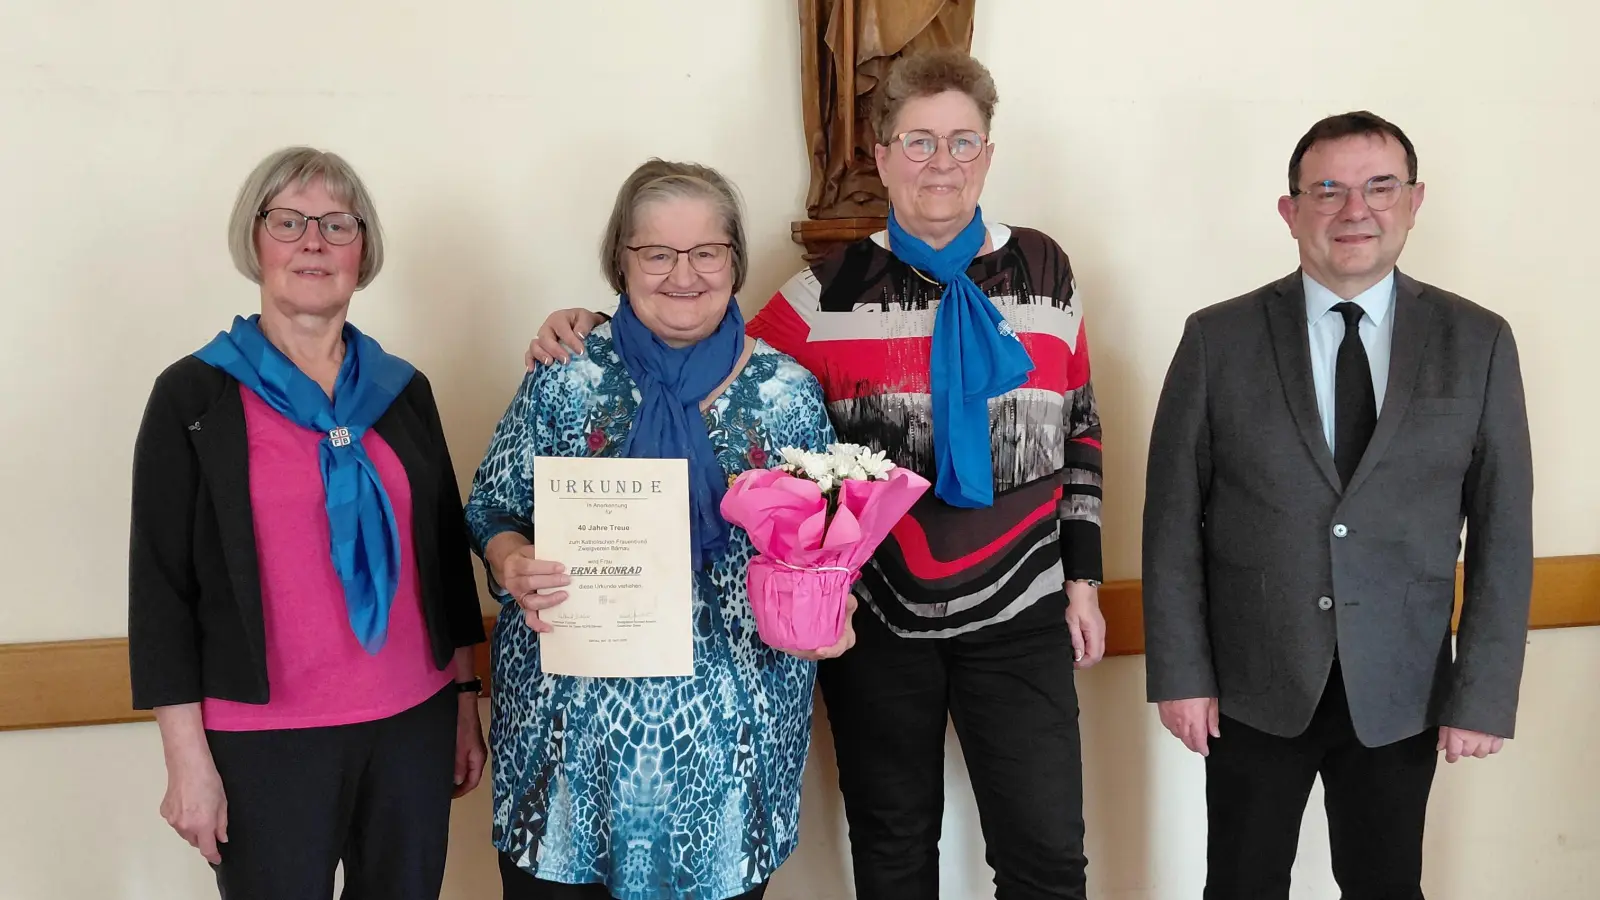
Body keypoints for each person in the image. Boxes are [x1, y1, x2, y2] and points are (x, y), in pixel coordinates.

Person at [525, 49, 1105, 900]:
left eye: (961, 141)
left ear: (988, 151)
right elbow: (702, 355)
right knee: (893, 848)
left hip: (1021, 612)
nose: (940, 163)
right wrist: (589, 325)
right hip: (874, 621)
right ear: (879, 156)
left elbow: (1082, 432)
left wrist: (1084, 580)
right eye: (916, 142)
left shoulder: (1048, 270)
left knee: (1047, 856)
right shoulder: (818, 292)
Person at [1141, 111, 1535, 899]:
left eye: (1378, 187)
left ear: (1414, 202)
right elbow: (1172, 521)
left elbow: (1503, 532)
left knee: (1387, 886)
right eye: (1328, 190)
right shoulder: (1217, 340)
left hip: (1403, 688)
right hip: (1253, 684)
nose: (1355, 211)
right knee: (1242, 886)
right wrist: (1180, 674)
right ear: (1290, 211)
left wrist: (1484, 696)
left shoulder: (1479, 341)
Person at [466, 159, 853, 900]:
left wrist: (836, 616)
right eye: (657, 254)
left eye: (707, 251)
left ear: (735, 262)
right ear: (622, 260)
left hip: (728, 767)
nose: (685, 274)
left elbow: (829, 557)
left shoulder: (788, 396)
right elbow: (492, 507)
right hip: (564, 767)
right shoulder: (566, 375)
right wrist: (511, 559)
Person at [128, 147, 489, 900]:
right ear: (254, 241)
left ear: (364, 249)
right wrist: (186, 760)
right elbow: (161, 590)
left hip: (411, 724)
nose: (313, 243)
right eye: (288, 222)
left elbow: (445, 561)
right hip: (263, 741)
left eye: (337, 224)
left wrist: (462, 704)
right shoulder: (193, 398)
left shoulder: (401, 392)